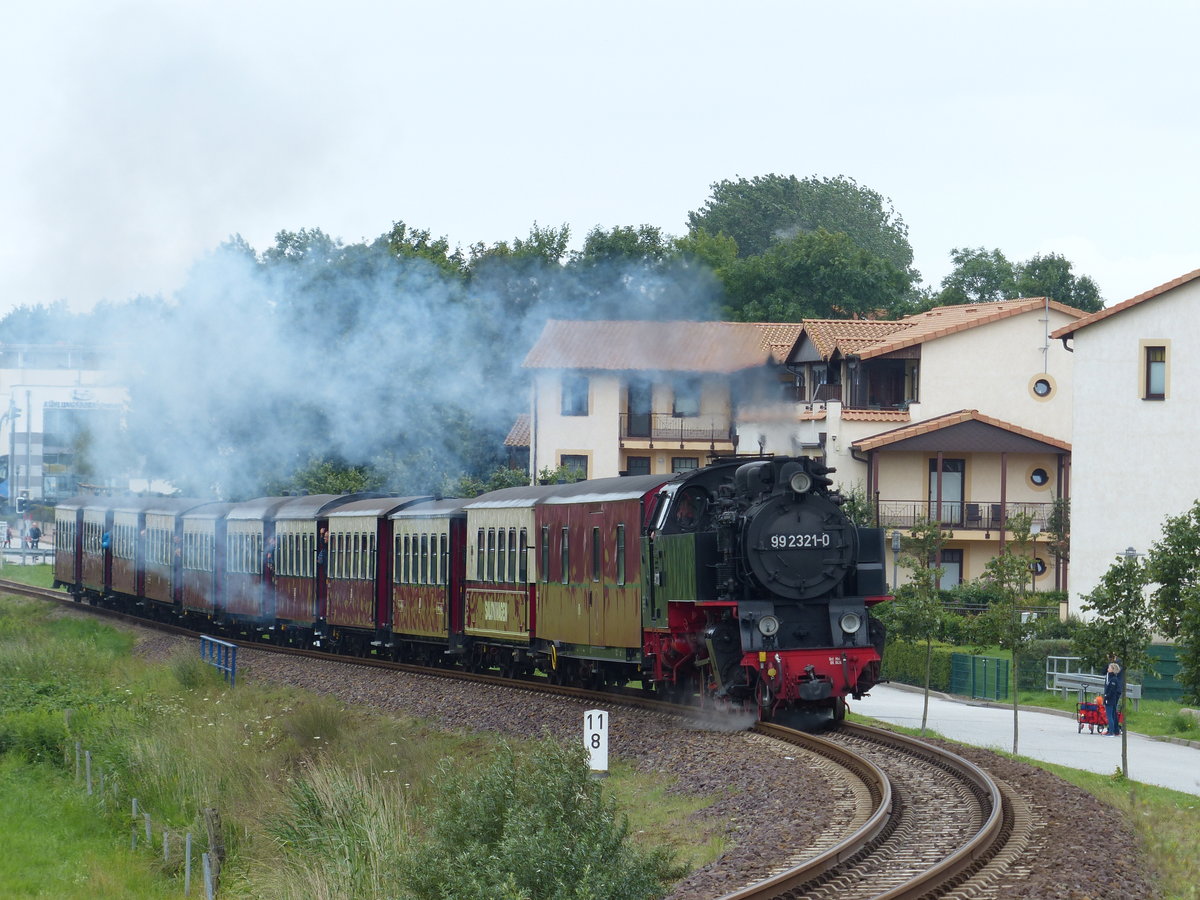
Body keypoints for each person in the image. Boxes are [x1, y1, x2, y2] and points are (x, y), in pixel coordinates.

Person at [1103, 662, 1123, 736]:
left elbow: (1112, 691)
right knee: (1111, 714)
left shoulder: (1113, 679)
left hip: (1111, 699)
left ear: (1113, 669)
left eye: (1109, 668)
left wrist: (1106, 696)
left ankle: (1111, 731)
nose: (1108, 669)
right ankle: (1114, 730)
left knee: (1110, 715)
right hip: (1111, 698)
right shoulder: (1111, 677)